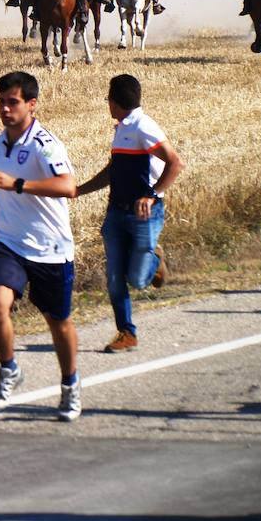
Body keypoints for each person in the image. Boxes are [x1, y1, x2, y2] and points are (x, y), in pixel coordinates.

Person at [0, 71, 81, 422]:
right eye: (0, 101)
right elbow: (1, 185)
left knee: (58, 322)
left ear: (31, 104)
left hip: (50, 247)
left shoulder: (47, 145)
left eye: (12, 102)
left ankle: (70, 385)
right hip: (9, 243)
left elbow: (68, 187)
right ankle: (9, 369)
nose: (4, 108)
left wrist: (18, 184)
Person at [76, 74, 184, 353]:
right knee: (114, 277)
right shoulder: (122, 128)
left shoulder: (142, 127)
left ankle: (155, 258)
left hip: (143, 216)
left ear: (113, 102)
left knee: (136, 279)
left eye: (108, 100)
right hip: (116, 213)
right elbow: (114, 171)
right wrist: (80, 190)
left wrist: (153, 195)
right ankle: (127, 332)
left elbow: (175, 163)